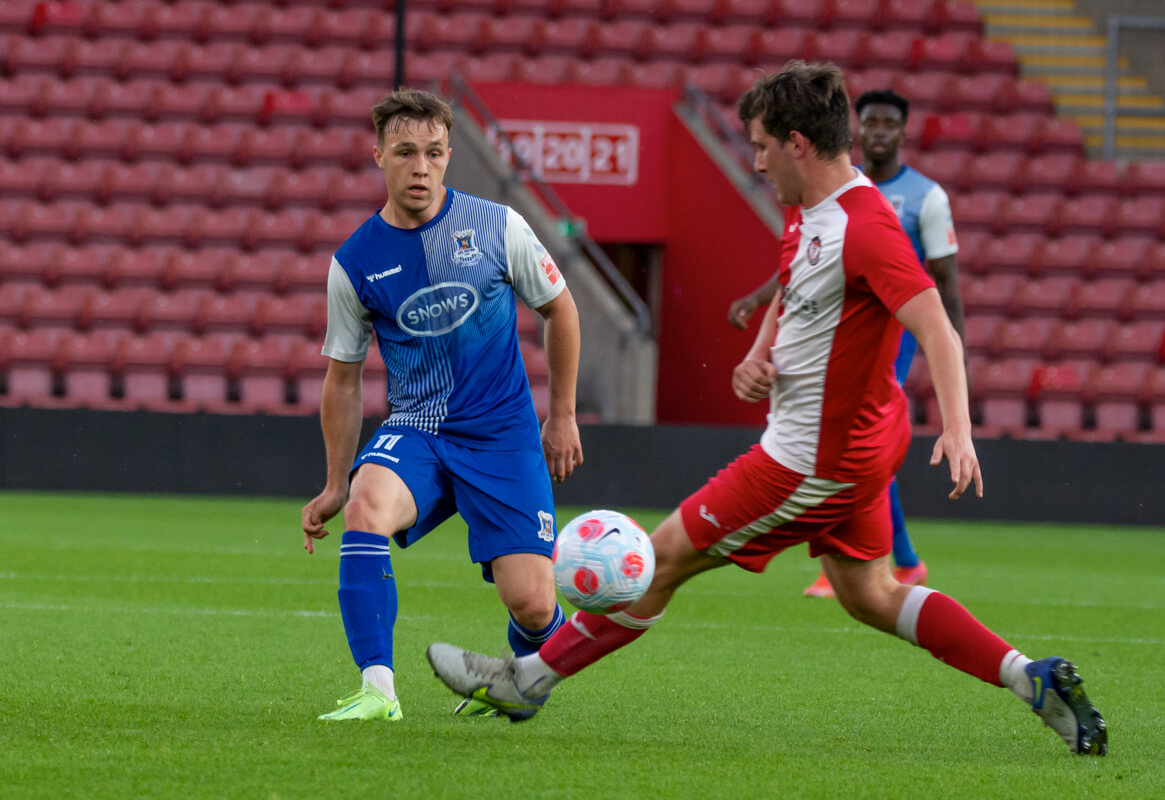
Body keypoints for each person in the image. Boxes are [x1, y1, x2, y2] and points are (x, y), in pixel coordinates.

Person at [426, 62, 1106, 757]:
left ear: (797, 144)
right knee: (870, 590)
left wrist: (959, 430)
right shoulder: (807, 208)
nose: (753, 161)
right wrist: (762, 352)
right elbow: (794, 285)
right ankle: (1032, 678)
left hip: (812, 460)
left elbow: (938, 326)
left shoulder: (867, 227)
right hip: (865, 440)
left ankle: (526, 681)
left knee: (658, 560)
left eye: (759, 146)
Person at [301, 87, 584, 721]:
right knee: (368, 508)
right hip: (419, 430)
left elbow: (560, 309)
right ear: (378, 156)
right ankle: (378, 691)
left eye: (432, 152)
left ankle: (521, 677)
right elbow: (343, 380)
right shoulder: (354, 263)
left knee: (534, 606)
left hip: (503, 435)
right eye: (405, 152)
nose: (420, 166)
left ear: (449, 155)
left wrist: (561, 414)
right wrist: (334, 482)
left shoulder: (497, 226)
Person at [727, 87, 967, 599]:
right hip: (833, 333)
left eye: (889, 124)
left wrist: (950, 347)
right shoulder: (827, 188)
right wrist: (757, 300)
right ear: (857, 129)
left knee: (859, 446)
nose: (879, 133)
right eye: (871, 123)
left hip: (888, 339)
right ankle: (890, 562)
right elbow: (805, 265)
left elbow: (943, 284)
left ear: (903, 131)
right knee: (853, 449)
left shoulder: (927, 198)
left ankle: (873, 562)